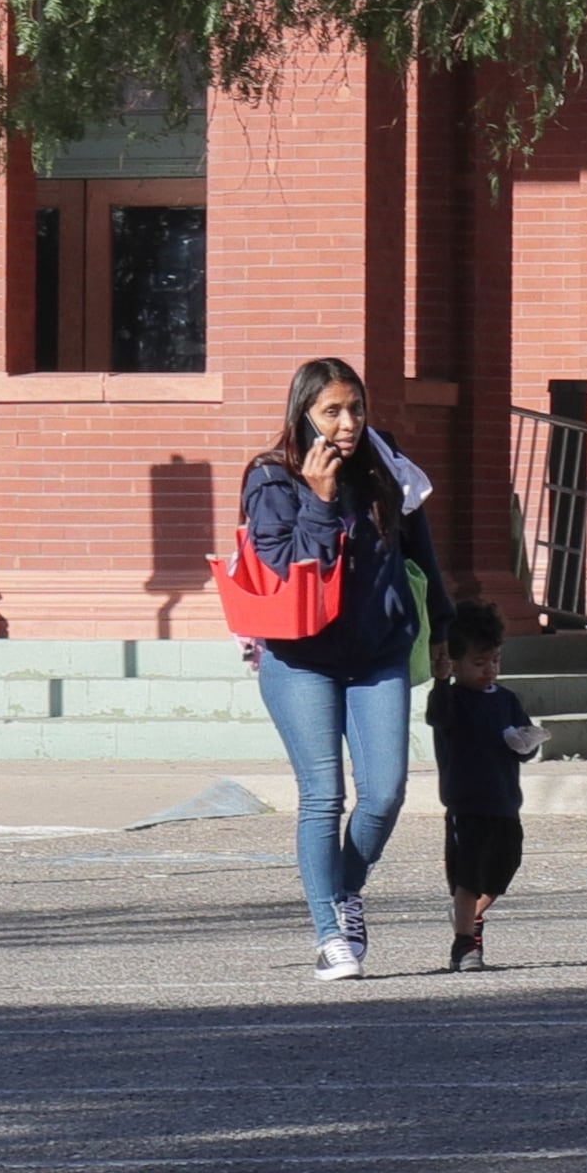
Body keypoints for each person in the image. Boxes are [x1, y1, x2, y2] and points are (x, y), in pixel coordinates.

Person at [237, 356, 448, 981]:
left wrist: (445, 627)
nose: (348, 422)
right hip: (299, 658)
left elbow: (423, 555)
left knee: (384, 792)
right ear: (304, 413)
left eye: (355, 408)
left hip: (377, 652)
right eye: (333, 411)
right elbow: (283, 567)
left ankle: (344, 890)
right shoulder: (271, 479)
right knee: (322, 797)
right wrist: (321, 499)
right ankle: (331, 934)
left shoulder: (384, 466)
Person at [425, 600, 542, 972]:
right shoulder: (452, 700)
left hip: (505, 803)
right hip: (467, 804)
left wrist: (526, 743)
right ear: (455, 663)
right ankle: (465, 943)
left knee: (505, 867)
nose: (489, 670)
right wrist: (441, 680)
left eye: (495, 660)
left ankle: (466, 914)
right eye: (479, 663)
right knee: (468, 876)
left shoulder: (507, 700)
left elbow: (524, 742)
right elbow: (436, 716)